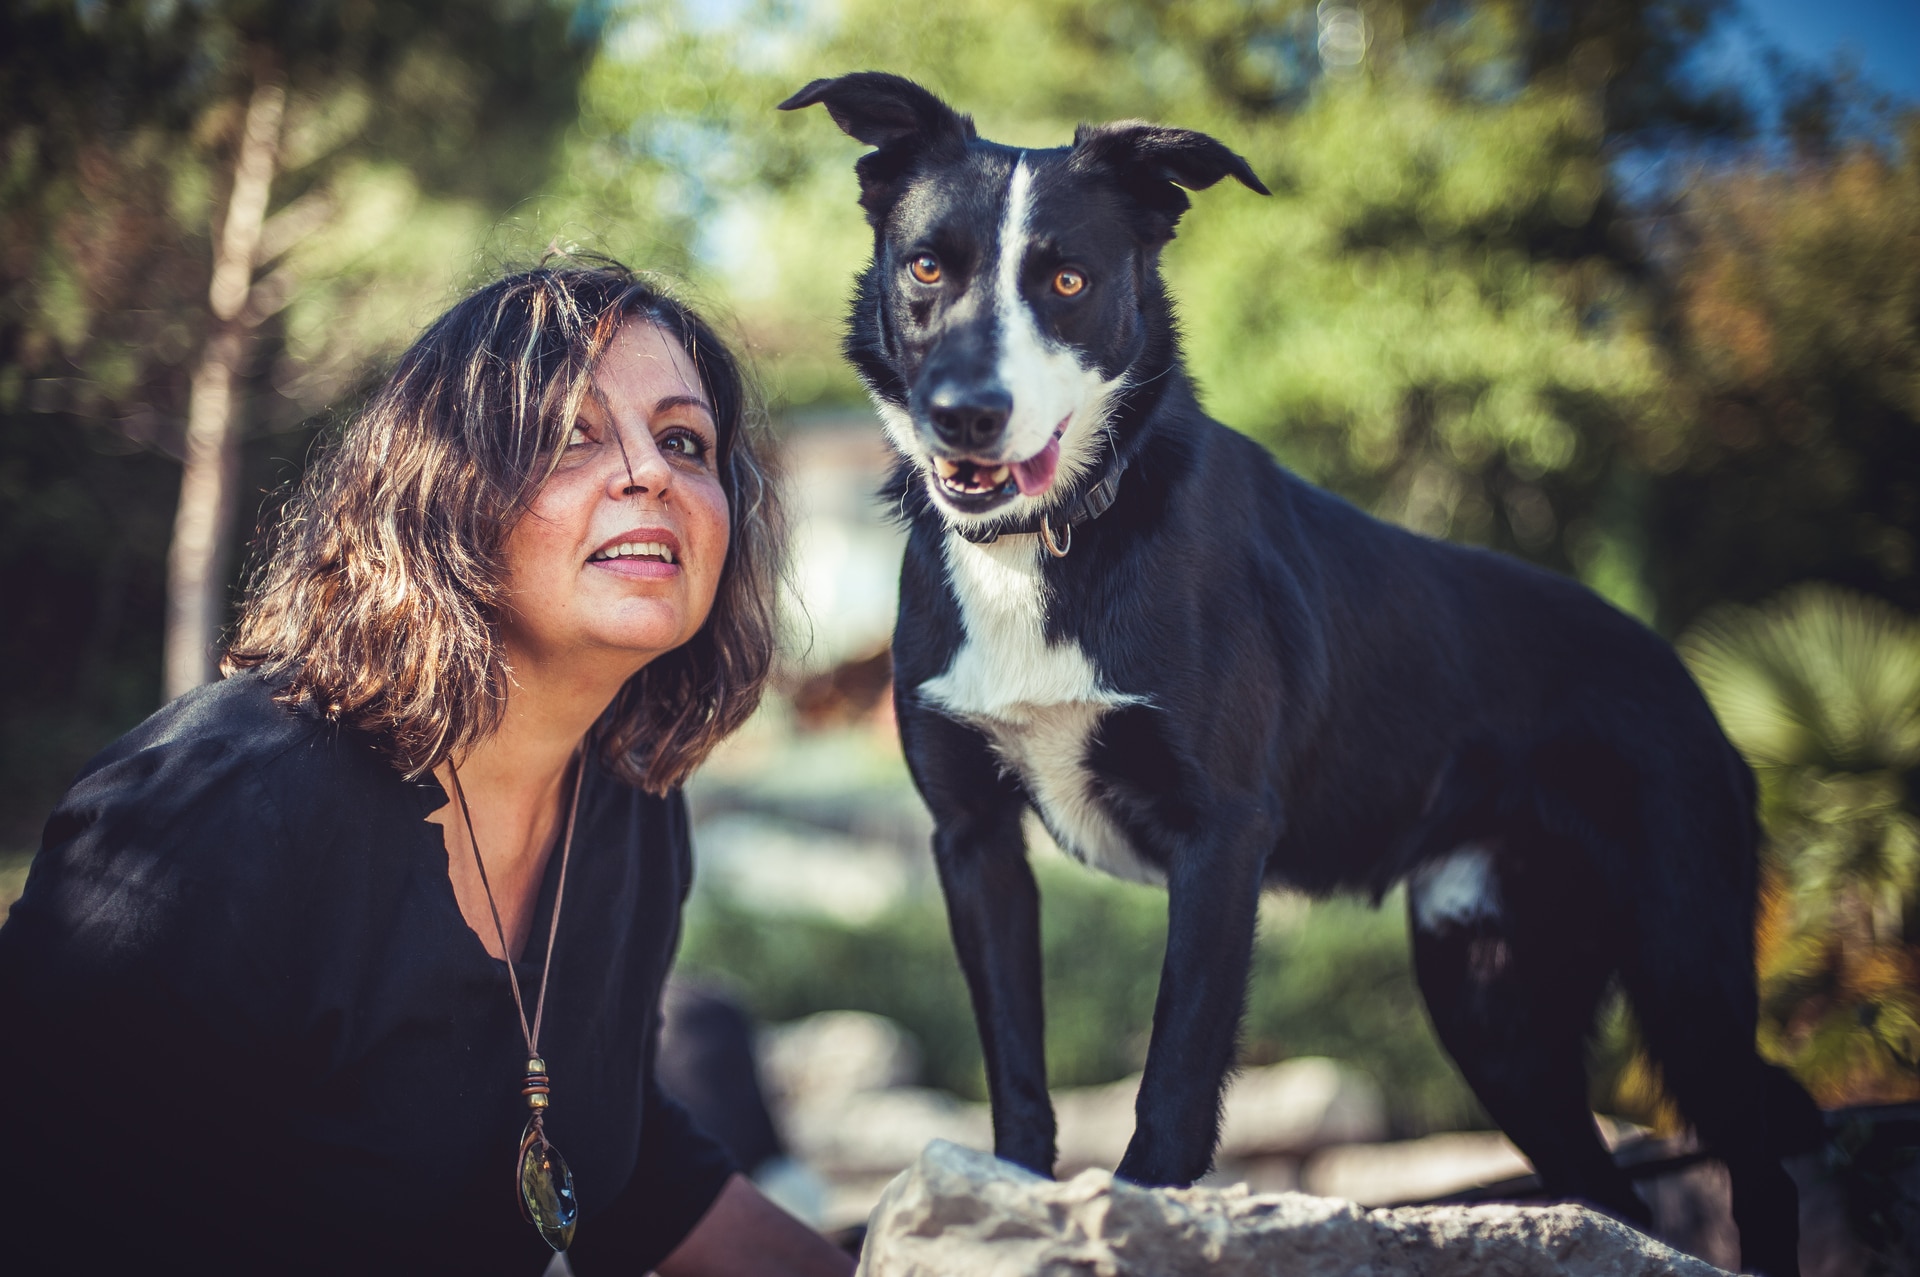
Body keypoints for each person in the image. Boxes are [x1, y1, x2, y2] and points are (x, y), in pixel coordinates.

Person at [0, 262, 855, 1277]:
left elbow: (614, 1154)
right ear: (442, 491)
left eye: (685, 440)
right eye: (569, 434)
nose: (651, 473)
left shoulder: (629, 803)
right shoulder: (220, 813)